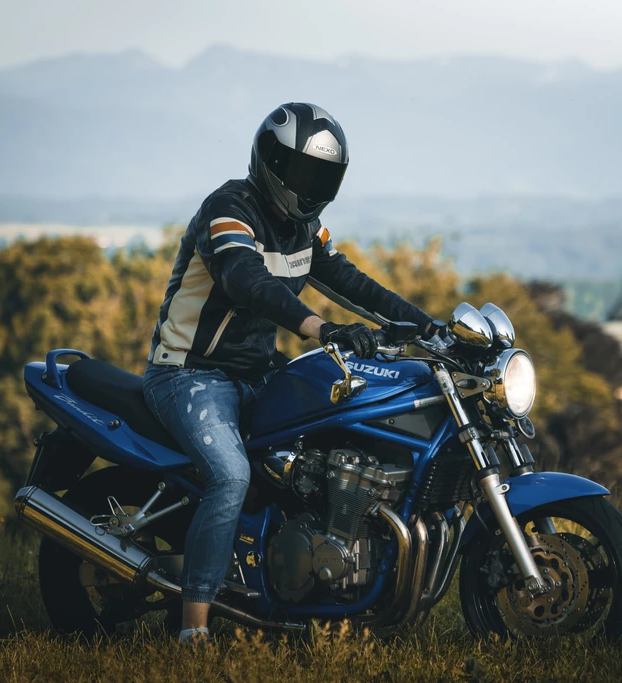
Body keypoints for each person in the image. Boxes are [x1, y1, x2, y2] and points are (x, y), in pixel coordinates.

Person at [142, 103, 440, 643]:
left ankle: (301, 588)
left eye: (324, 176)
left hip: (257, 373)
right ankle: (194, 632)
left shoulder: (305, 227)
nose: (313, 186)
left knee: (320, 452)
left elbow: (351, 281)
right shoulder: (229, 209)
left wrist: (428, 328)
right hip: (188, 375)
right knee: (231, 477)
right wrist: (320, 328)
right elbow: (246, 280)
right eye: (304, 173)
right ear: (270, 162)